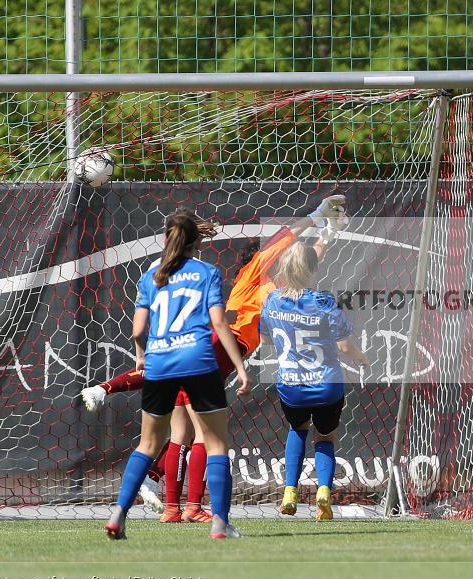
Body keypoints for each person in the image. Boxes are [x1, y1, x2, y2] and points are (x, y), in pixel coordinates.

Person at [82, 196, 347, 517]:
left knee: (185, 428)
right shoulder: (254, 276)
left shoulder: (281, 288)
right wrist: (317, 215)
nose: (285, 259)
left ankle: (157, 483)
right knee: (188, 419)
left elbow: (306, 262)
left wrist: (329, 235)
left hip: (226, 350)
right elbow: (283, 240)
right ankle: (106, 393)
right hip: (222, 345)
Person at [105, 210, 251, 540]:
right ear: (196, 241)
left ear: (167, 239)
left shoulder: (151, 275)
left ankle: (118, 514)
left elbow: (139, 329)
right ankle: (220, 523)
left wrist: (142, 356)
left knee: (148, 444)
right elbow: (218, 323)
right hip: (199, 362)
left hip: (160, 364)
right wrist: (240, 368)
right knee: (215, 444)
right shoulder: (207, 272)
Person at [259, 242, 370, 521]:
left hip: (292, 387)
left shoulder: (272, 301)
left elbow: (264, 339)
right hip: (326, 386)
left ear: (284, 269)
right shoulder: (324, 302)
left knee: (297, 429)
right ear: (314, 270)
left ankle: (289, 492)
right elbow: (346, 347)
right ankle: (323, 494)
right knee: (325, 437)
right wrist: (363, 358)